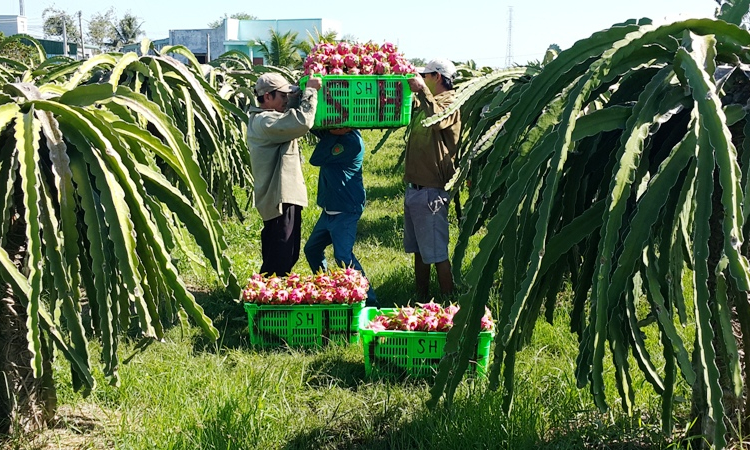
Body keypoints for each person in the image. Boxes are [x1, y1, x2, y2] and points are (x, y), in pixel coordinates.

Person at [247, 72, 322, 276]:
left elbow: (290, 113)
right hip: (278, 197)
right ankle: (267, 299)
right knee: (280, 254)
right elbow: (301, 122)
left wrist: (299, 92)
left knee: (286, 251)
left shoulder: (270, 117)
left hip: (282, 196)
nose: (286, 101)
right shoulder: (266, 121)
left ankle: (269, 293)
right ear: (268, 97)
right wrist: (311, 92)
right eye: (282, 96)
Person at [404, 58, 462, 300]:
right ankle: (421, 299)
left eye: (425, 75)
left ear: (436, 76)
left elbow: (438, 121)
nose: (422, 79)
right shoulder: (428, 102)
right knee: (420, 251)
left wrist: (423, 92)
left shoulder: (452, 102)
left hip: (432, 191)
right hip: (415, 189)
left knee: (437, 253)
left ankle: (449, 303)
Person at [304, 128, 379, 307]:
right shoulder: (338, 135)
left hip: (345, 209)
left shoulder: (351, 142)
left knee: (343, 256)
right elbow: (316, 128)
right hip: (330, 209)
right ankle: (327, 289)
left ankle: (370, 300)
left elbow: (316, 159)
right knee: (312, 250)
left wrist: (332, 133)